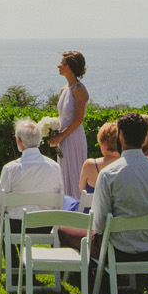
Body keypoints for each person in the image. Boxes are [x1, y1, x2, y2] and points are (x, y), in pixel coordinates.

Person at [88, 112, 148, 263]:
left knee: (64, 232)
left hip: (117, 251)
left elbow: (99, 224)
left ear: (120, 135)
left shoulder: (109, 174)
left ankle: (92, 280)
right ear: (145, 137)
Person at [0, 117, 64, 271]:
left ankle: (14, 267)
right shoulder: (54, 167)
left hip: (17, 226)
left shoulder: (11, 169)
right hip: (46, 225)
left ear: (19, 141)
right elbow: (60, 200)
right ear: (39, 140)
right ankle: (23, 264)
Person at [48, 51, 90, 200]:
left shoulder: (80, 90)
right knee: (64, 172)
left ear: (71, 67)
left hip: (73, 137)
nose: (59, 66)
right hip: (63, 137)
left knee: (75, 171)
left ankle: (78, 209)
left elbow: (79, 119)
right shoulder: (64, 89)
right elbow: (62, 116)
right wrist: (53, 131)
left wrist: (61, 135)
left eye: (63, 64)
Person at [79, 120, 121, 197]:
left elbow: (81, 192)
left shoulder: (89, 165)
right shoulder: (126, 164)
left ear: (104, 143)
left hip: (92, 208)